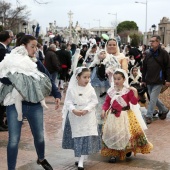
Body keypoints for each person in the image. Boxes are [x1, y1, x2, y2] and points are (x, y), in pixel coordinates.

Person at [0, 35, 61, 170]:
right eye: (32, 46)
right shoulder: (10, 60)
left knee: (39, 136)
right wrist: (19, 78)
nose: (35, 49)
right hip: (14, 105)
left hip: (34, 105)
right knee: (13, 140)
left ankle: (41, 158)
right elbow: (3, 79)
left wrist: (56, 93)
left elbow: (47, 78)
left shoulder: (36, 62)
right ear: (23, 46)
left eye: (36, 47)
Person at [101, 69, 153, 163]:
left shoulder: (127, 91)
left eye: (118, 79)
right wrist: (103, 110)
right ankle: (113, 153)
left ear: (124, 79)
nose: (116, 81)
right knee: (113, 133)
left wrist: (135, 92)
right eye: (115, 79)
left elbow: (133, 102)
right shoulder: (110, 91)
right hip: (113, 115)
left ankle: (126, 149)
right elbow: (107, 102)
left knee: (125, 133)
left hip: (125, 115)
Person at [62, 67, 101, 170]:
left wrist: (87, 109)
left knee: (85, 137)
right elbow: (68, 102)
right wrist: (73, 110)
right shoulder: (72, 89)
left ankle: (81, 161)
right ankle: (79, 157)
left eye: (88, 77)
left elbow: (94, 101)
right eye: (84, 77)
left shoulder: (90, 88)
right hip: (75, 116)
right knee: (77, 137)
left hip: (87, 117)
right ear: (78, 77)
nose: (87, 79)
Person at [0, 45, 50, 121]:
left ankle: (41, 102)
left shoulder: (26, 60)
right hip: (19, 83)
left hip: (27, 81)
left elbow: (34, 69)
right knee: (18, 96)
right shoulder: (12, 61)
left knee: (34, 88)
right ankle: (20, 114)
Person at [142, 35, 170, 124]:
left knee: (153, 98)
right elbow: (144, 67)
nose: (151, 43)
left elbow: (168, 67)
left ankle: (149, 116)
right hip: (149, 79)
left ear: (158, 42)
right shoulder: (148, 53)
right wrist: (143, 80)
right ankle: (164, 109)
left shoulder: (164, 53)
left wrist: (168, 79)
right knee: (153, 98)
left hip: (159, 80)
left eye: (153, 41)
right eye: (150, 41)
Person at [0, 30, 14, 131]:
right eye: (11, 37)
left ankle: (1, 122)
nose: (12, 39)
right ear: (7, 38)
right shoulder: (1, 49)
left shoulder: (3, 48)